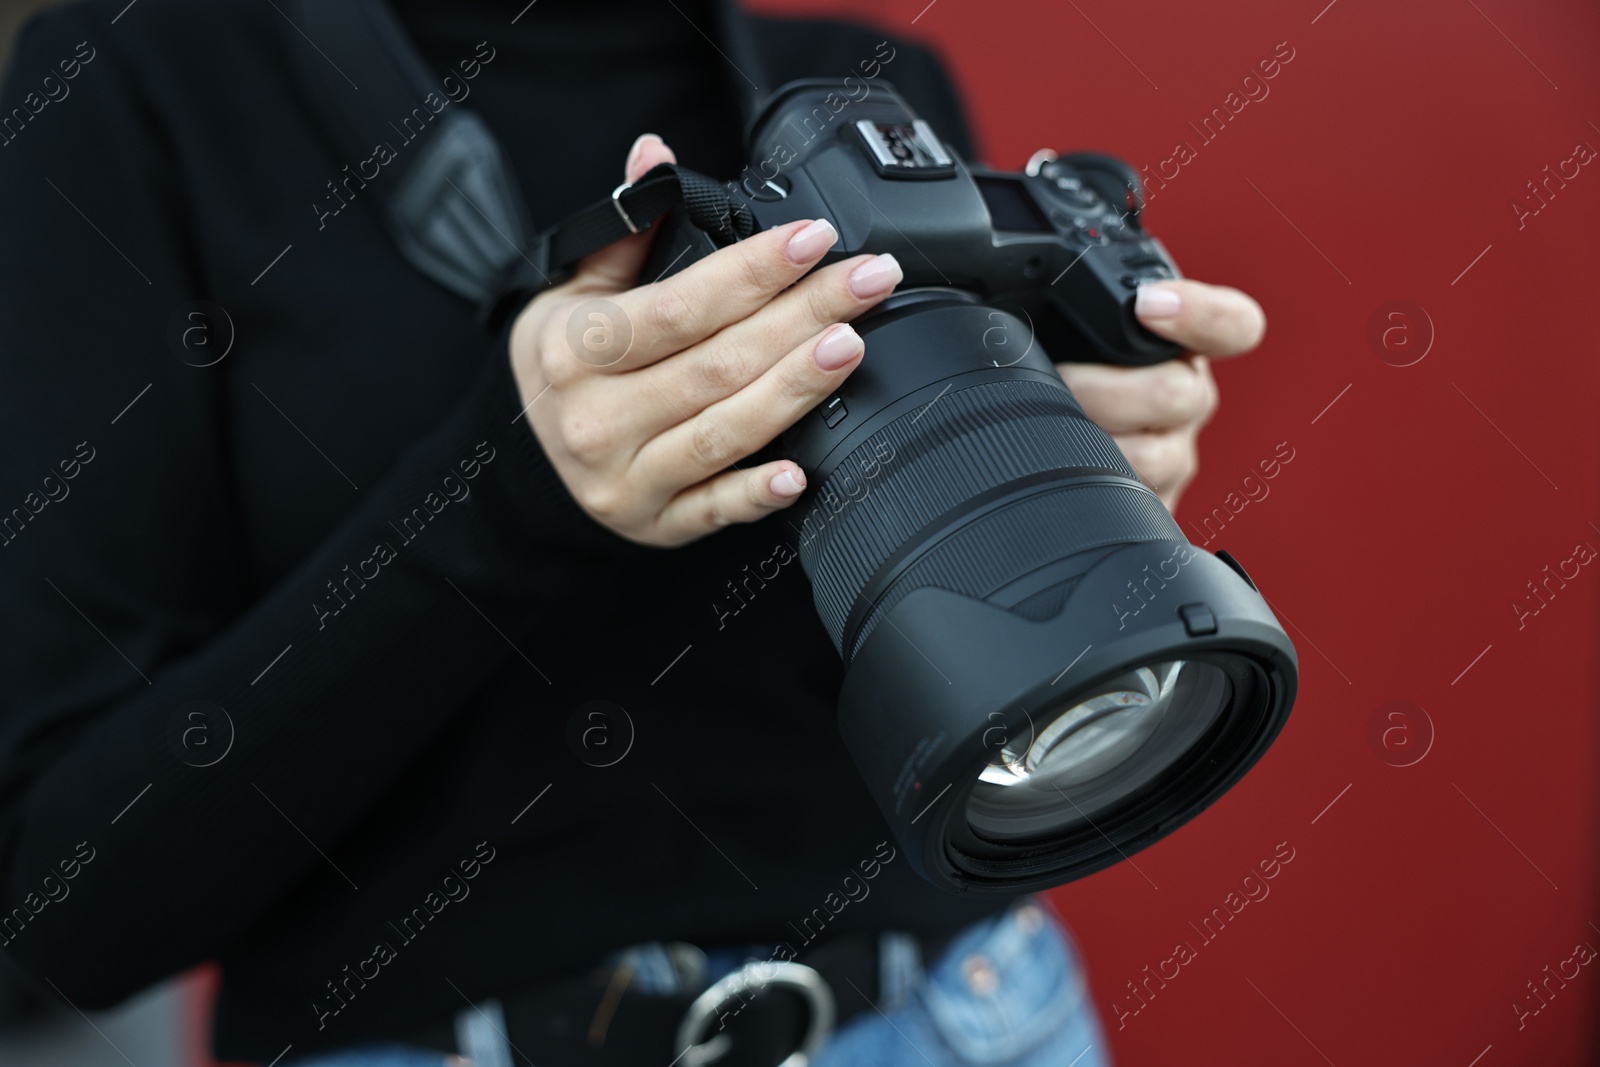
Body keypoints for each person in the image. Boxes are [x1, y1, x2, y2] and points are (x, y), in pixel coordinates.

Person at [0, 0, 1265, 1063]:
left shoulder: (862, 80)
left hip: (971, 1015)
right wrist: (513, 492)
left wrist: (1080, 440)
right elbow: (66, 909)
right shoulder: (137, 84)